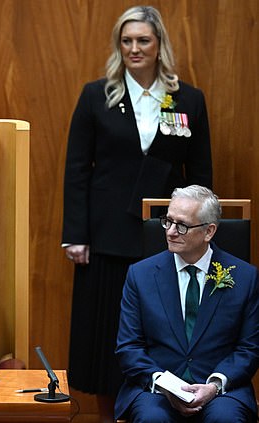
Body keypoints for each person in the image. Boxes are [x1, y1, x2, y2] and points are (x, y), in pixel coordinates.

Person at [61, 6, 213, 420]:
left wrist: (201, 236)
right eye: (126, 41)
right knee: (107, 335)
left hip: (167, 237)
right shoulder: (97, 95)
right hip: (106, 236)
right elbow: (77, 169)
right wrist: (76, 234)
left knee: (161, 329)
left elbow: (200, 173)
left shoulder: (187, 99)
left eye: (143, 40)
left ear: (159, 43)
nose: (134, 48)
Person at [115, 185, 259, 422]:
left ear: (209, 231)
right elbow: (128, 346)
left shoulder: (244, 277)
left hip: (222, 390)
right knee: (153, 419)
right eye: (167, 221)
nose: (170, 232)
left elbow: (249, 348)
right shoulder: (140, 275)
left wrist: (214, 385)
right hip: (156, 387)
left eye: (181, 225)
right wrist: (165, 384)